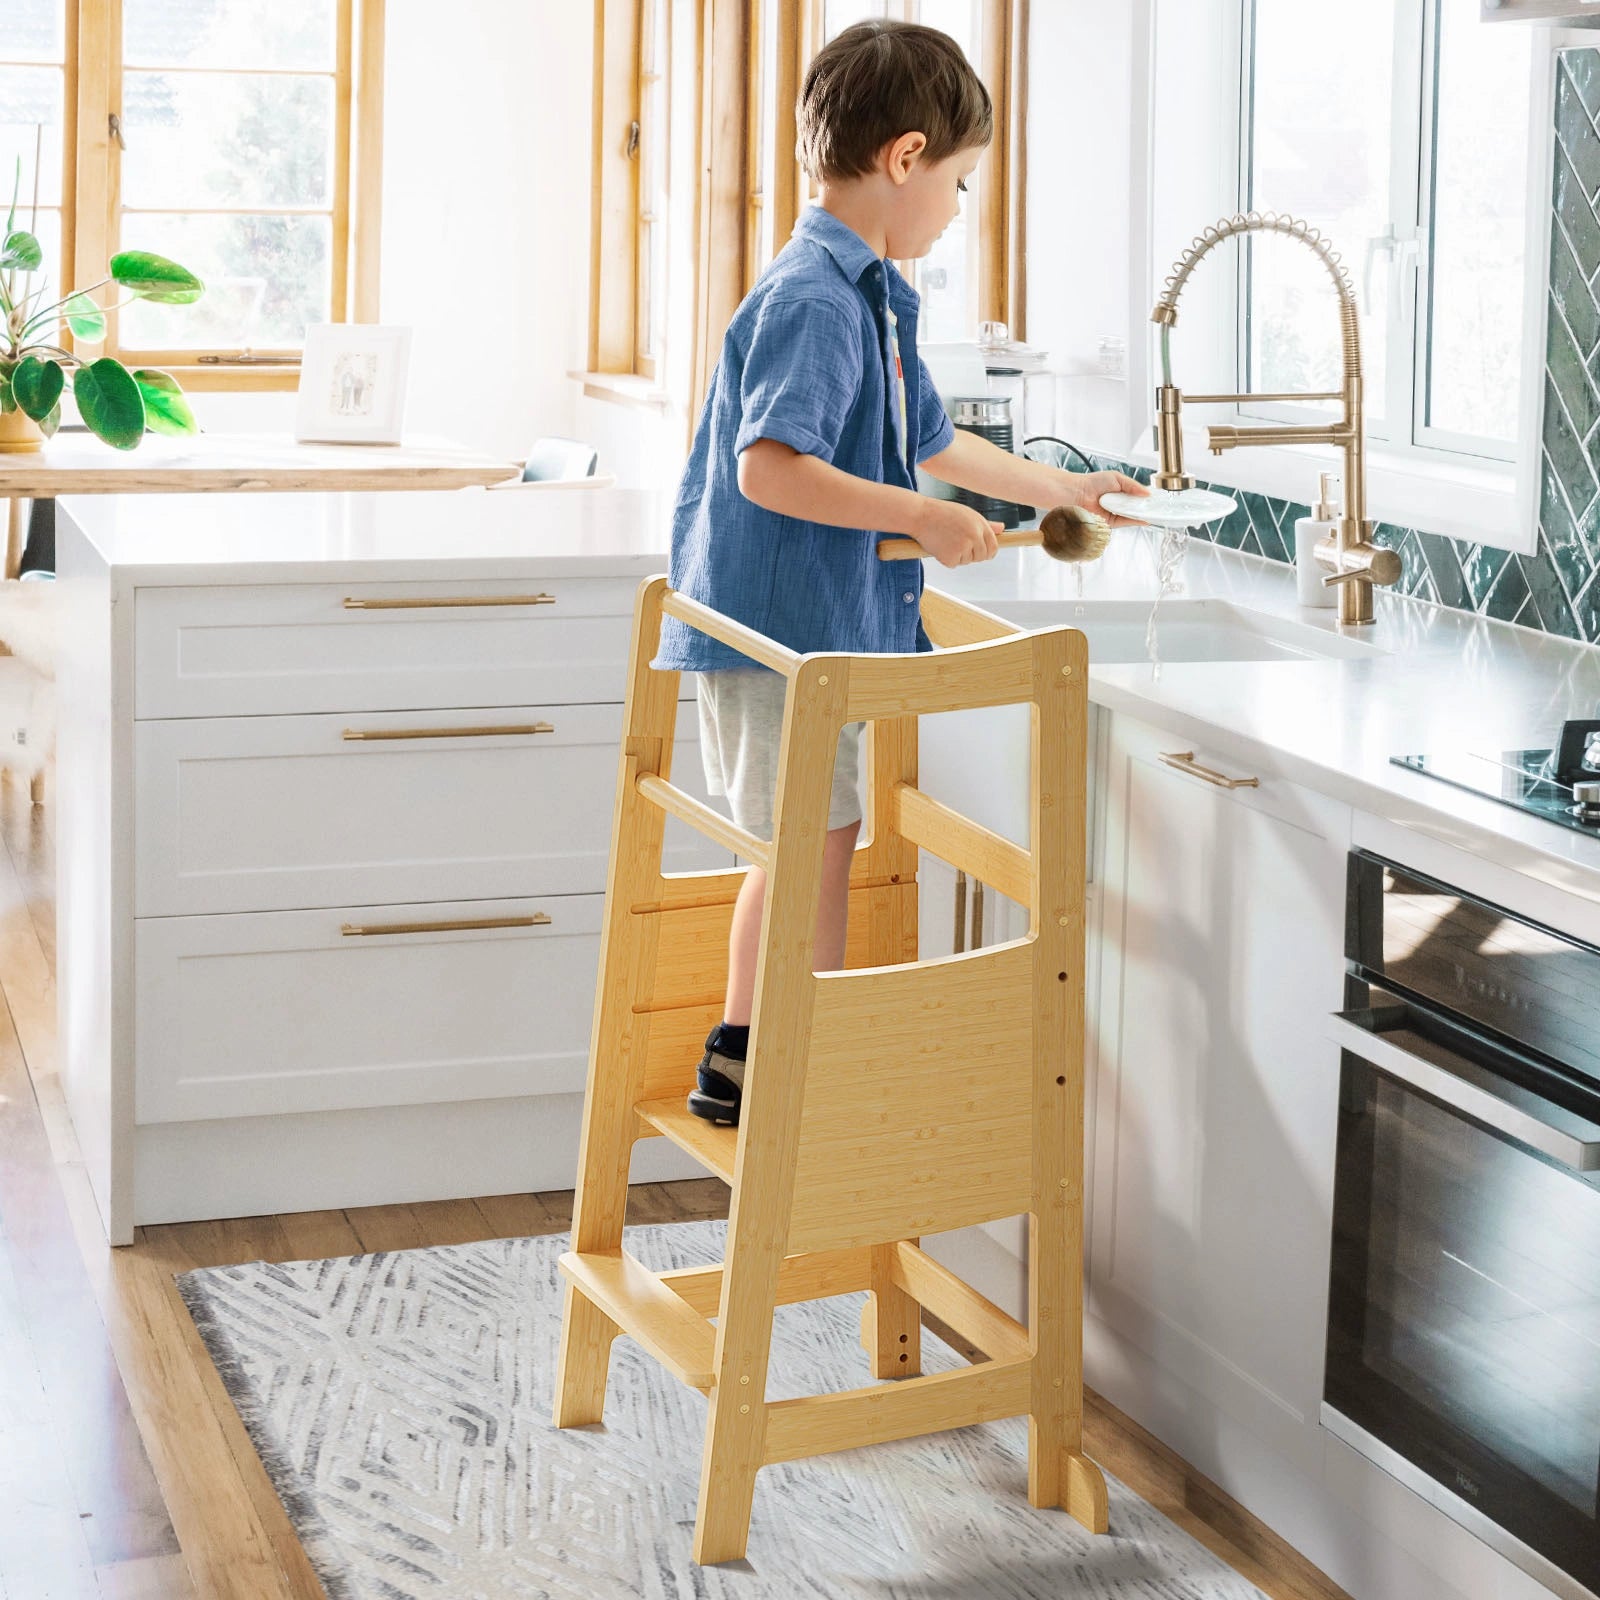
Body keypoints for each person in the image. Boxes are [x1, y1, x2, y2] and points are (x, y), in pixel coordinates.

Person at [653, 17, 1147, 1126]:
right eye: (962, 182)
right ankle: (772, 1062)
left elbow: (933, 442)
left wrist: (1060, 490)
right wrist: (924, 520)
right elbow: (772, 471)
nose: (961, 208)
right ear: (906, 158)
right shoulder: (817, 300)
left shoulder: (868, 292)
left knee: (809, 853)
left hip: (807, 631)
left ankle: (762, 1053)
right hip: (779, 633)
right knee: (804, 859)